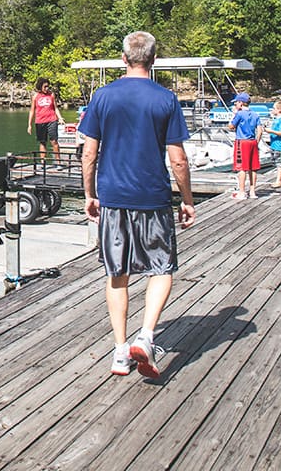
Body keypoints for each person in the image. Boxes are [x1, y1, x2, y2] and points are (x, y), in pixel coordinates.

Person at [79, 31, 195, 380]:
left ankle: (119, 351)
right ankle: (145, 335)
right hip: (153, 197)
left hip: (113, 197)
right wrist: (187, 200)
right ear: (154, 60)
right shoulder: (166, 99)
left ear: (124, 59)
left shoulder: (102, 97)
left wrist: (89, 194)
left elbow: (89, 153)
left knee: (118, 273)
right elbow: (178, 160)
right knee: (161, 268)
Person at [228, 92, 264, 199]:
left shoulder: (239, 114)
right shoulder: (255, 114)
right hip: (252, 141)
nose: (235, 105)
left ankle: (242, 192)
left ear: (241, 103)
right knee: (253, 168)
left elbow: (231, 126)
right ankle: (252, 192)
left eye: (236, 103)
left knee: (242, 168)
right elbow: (260, 130)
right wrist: (256, 141)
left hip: (242, 142)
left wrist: (233, 115)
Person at [27, 78, 62, 162]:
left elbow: (56, 108)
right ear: (40, 86)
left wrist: (60, 118)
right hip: (40, 121)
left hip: (52, 120)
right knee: (42, 142)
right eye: (45, 87)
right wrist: (29, 125)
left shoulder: (51, 95)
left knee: (54, 141)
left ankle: (58, 161)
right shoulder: (35, 96)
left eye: (48, 87)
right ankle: (43, 161)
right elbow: (32, 111)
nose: (47, 88)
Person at [267, 99, 281, 188]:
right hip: (274, 144)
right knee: (276, 163)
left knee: (280, 164)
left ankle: (278, 181)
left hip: (280, 145)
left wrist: (271, 131)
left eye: (274, 108)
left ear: (279, 110)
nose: (272, 110)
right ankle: (279, 179)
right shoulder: (276, 119)